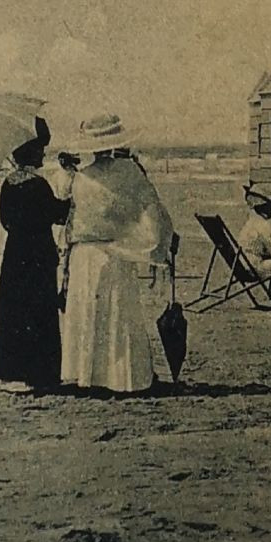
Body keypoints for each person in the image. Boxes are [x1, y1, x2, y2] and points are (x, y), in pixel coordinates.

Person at [61, 113, 177, 394]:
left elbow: (70, 219)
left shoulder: (81, 178)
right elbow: (152, 210)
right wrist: (156, 245)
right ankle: (122, 378)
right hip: (114, 252)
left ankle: (85, 376)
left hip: (83, 254)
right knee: (118, 316)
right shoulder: (129, 173)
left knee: (88, 315)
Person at [0, 119, 68, 391]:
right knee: (39, 310)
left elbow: (5, 220)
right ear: (31, 153)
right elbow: (56, 215)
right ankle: (41, 373)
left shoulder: (8, 183)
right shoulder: (38, 184)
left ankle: (13, 372)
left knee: (14, 310)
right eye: (40, 150)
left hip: (15, 252)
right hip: (38, 253)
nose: (43, 154)